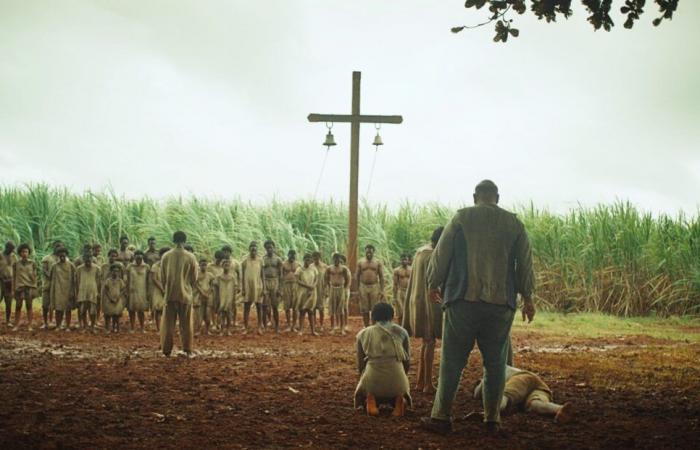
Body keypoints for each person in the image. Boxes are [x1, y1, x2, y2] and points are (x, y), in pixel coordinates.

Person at [421, 180, 536, 435]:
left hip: (462, 299)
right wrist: (528, 297)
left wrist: (433, 283)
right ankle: (492, 420)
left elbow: (441, 254)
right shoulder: (514, 223)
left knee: (452, 361)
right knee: (496, 364)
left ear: (475, 197)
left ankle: (441, 417)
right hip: (501, 303)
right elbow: (525, 264)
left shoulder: (462, 217)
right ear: (497, 197)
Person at [402, 227, 444, 394]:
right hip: (427, 302)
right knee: (430, 341)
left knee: (426, 342)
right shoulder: (432, 255)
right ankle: (427, 383)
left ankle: (420, 381)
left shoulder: (420, 252)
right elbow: (434, 281)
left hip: (416, 299)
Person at [354, 303, 411, 417]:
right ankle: (398, 399)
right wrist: (402, 375)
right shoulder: (402, 332)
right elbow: (407, 361)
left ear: (372, 317)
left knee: (363, 390)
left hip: (372, 379)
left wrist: (362, 376)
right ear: (392, 316)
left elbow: (360, 364)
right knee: (398, 388)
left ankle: (370, 399)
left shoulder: (363, 333)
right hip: (397, 379)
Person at [472, 365, 574, 423]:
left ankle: (491, 413)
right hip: (540, 384)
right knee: (535, 403)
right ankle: (558, 409)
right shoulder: (500, 363)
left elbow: (477, 394)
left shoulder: (491, 371)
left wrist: (478, 385)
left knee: (506, 396)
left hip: (522, 377)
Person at [160, 231, 199, 356]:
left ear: (173, 240)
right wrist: (187, 286)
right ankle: (187, 349)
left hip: (170, 294)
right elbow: (194, 278)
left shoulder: (166, 256)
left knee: (168, 325)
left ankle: (166, 350)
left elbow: (163, 278)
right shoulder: (190, 257)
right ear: (185, 240)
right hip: (185, 294)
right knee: (186, 324)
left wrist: (167, 289)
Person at [356, 244, 385, 328]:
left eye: (370, 252)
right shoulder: (360, 262)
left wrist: (382, 290)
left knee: (374, 308)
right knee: (364, 309)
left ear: (373, 252)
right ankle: (366, 326)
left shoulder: (377, 262)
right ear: (365, 252)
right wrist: (358, 289)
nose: (369, 254)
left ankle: (374, 326)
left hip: (374, 287)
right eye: (367, 252)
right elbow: (357, 276)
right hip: (363, 286)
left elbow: (381, 276)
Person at [49, 247, 76, 331]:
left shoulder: (71, 265)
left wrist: (73, 290)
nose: (62, 257)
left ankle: (67, 326)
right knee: (58, 309)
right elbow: (51, 278)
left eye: (63, 256)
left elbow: (74, 279)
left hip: (68, 289)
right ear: (58, 256)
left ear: (66, 255)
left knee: (68, 309)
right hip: (58, 289)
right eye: (60, 256)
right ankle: (58, 325)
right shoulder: (54, 266)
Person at [11, 243, 37, 331]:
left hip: (29, 287)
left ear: (29, 253)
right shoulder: (16, 264)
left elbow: (34, 277)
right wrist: (13, 289)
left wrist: (34, 288)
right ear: (20, 253)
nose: (24, 253)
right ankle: (16, 325)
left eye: (26, 252)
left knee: (29, 306)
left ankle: (29, 325)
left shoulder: (32, 263)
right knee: (18, 306)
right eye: (22, 252)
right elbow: (13, 277)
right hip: (19, 287)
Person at [241, 241, 264, 334]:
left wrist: (264, 288)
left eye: (255, 248)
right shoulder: (244, 260)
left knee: (259, 306)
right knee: (246, 306)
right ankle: (245, 327)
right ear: (249, 249)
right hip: (248, 286)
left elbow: (263, 275)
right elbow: (242, 275)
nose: (253, 249)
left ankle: (259, 327)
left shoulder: (260, 260)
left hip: (258, 286)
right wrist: (242, 288)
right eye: (252, 247)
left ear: (257, 250)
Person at [325, 252, 351, 335]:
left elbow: (347, 279)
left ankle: (342, 328)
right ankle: (333, 327)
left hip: (341, 289)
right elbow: (326, 279)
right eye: (334, 259)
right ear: (333, 259)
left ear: (339, 259)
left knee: (341, 309)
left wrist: (345, 288)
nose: (336, 260)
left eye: (337, 259)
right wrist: (329, 288)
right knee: (332, 309)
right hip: (332, 289)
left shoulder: (344, 268)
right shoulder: (329, 268)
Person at [75, 251, 101, 332]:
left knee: (93, 311)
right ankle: (85, 326)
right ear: (83, 259)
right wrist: (77, 292)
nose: (88, 261)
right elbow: (77, 282)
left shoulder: (97, 268)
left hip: (93, 292)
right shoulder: (79, 269)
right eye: (86, 260)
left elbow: (99, 281)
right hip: (82, 292)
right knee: (83, 310)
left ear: (92, 259)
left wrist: (99, 292)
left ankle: (92, 326)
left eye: (89, 259)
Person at [40, 241, 64, 329]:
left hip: (59, 286)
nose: (58, 248)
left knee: (59, 304)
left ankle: (59, 323)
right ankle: (45, 322)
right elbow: (44, 270)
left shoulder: (64, 258)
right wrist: (51, 276)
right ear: (53, 247)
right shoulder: (47, 258)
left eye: (60, 246)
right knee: (45, 304)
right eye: (57, 246)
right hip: (48, 284)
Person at [262, 240, 283, 333]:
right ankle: (265, 326)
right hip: (265, 281)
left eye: (271, 247)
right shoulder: (263, 259)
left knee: (275, 306)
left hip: (275, 281)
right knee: (264, 306)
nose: (269, 249)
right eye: (267, 248)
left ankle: (277, 327)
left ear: (274, 248)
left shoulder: (278, 259)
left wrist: (280, 288)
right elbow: (261, 273)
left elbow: (281, 275)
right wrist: (262, 286)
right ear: (265, 249)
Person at [295, 254, 318, 336]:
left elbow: (316, 279)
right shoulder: (299, 269)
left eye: (309, 259)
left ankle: (313, 331)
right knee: (302, 311)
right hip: (303, 292)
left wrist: (313, 286)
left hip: (312, 292)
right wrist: (307, 286)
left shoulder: (314, 269)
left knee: (311, 311)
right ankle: (300, 330)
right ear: (303, 260)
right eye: (306, 259)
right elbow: (297, 280)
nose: (307, 261)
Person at [126, 250, 149, 333]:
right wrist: (127, 291)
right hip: (132, 290)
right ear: (134, 256)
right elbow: (127, 280)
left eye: (140, 254)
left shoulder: (146, 267)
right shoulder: (130, 266)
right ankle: (132, 327)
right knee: (131, 310)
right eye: (137, 255)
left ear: (142, 256)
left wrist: (148, 292)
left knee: (141, 310)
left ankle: (142, 327)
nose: (139, 256)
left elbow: (148, 280)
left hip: (142, 290)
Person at [216, 259, 238, 335]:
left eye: (228, 265)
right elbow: (216, 289)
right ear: (222, 266)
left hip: (229, 298)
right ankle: (222, 330)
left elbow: (235, 289)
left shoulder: (232, 278)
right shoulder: (218, 278)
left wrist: (234, 299)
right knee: (222, 314)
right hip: (222, 297)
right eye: (225, 265)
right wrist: (217, 298)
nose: (226, 266)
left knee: (229, 314)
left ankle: (228, 329)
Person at [102, 264, 126, 333]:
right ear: (111, 272)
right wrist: (110, 298)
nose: (115, 273)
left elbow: (123, 289)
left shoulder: (120, 281)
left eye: (117, 271)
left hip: (117, 300)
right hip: (109, 300)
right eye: (114, 271)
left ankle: (116, 328)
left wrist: (118, 297)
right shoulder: (108, 280)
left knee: (116, 315)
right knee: (108, 315)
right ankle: (107, 328)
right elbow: (106, 290)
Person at [149, 247, 169, 332]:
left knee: (168, 310)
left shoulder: (171, 265)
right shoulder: (155, 266)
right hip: (158, 289)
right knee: (158, 309)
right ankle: (159, 329)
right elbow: (154, 279)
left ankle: (166, 328)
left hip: (169, 289)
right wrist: (162, 288)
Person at [281, 250, 300, 332]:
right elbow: (281, 276)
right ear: (288, 255)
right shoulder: (283, 264)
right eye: (290, 255)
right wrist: (281, 289)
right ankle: (289, 325)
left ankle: (294, 325)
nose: (292, 256)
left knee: (295, 307)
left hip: (295, 286)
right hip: (286, 286)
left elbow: (301, 277)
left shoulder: (298, 265)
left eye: (293, 255)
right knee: (287, 307)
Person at [194, 258, 213, 335]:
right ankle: (198, 330)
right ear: (199, 265)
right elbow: (195, 284)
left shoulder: (210, 275)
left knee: (208, 315)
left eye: (205, 265)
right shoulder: (196, 275)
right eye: (202, 265)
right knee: (199, 315)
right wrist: (202, 292)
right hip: (199, 297)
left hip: (208, 297)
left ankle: (207, 330)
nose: (204, 267)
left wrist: (208, 293)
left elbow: (212, 285)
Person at [207, 250, 225, 330]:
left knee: (220, 306)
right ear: (215, 258)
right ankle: (213, 323)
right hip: (213, 288)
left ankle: (219, 323)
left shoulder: (223, 267)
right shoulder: (209, 266)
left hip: (221, 288)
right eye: (218, 259)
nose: (219, 261)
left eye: (221, 259)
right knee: (212, 306)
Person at [392, 253, 411, 325]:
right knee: (400, 311)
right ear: (400, 260)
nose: (404, 261)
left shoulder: (412, 269)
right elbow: (395, 284)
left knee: (409, 311)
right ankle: (400, 327)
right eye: (402, 259)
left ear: (408, 260)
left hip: (409, 291)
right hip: (400, 291)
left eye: (405, 259)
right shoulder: (397, 270)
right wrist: (394, 297)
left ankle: (409, 328)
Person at [1, 241, 17, 327]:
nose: (11, 251)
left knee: (8, 302)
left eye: (12, 249)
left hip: (9, 282)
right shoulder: (0, 255)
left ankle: (8, 321)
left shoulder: (14, 256)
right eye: (10, 249)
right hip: (1, 282)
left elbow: (16, 269)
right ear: (6, 248)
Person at [312, 251, 328, 331]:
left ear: (320, 257)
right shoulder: (311, 266)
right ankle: (314, 324)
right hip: (313, 290)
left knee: (321, 309)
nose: (316, 259)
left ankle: (321, 325)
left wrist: (326, 290)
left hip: (321, 289)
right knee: (313, 308)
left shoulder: (324, 267)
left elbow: (327, 279)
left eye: (317, 257)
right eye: (314, 257)